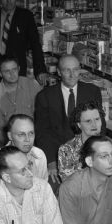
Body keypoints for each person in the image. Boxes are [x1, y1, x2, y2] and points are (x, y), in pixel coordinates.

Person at [35, 54, 102, 186]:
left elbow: (100, 126)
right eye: (67, 70)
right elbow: (42, 131)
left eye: (75, 70)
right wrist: (51, 162)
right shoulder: (45, 96)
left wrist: (97, 154)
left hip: (87, 152)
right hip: (57, 154)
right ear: (59, 72)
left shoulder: (92, 91)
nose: (72, 75)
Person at [0, 114, 47, 188]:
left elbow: (43, 188)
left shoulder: (39, 155)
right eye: (21, 134)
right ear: (10, 136)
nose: (27, 139)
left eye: (31, 133)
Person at [0, 56, 41, 145]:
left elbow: (44, 117)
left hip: (36, 138)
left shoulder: (33, 85)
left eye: (14, 69)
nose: (12, 74)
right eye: (7, 71)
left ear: (19, 69)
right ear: (0, 73)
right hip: (12, 142)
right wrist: (10, 148)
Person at [58, 102, 105, 180]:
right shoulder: (66, 150)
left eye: (97, 119)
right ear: (79, 125)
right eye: (88, 121)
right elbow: (69, 185)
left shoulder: (109, 147)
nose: (94, 124)